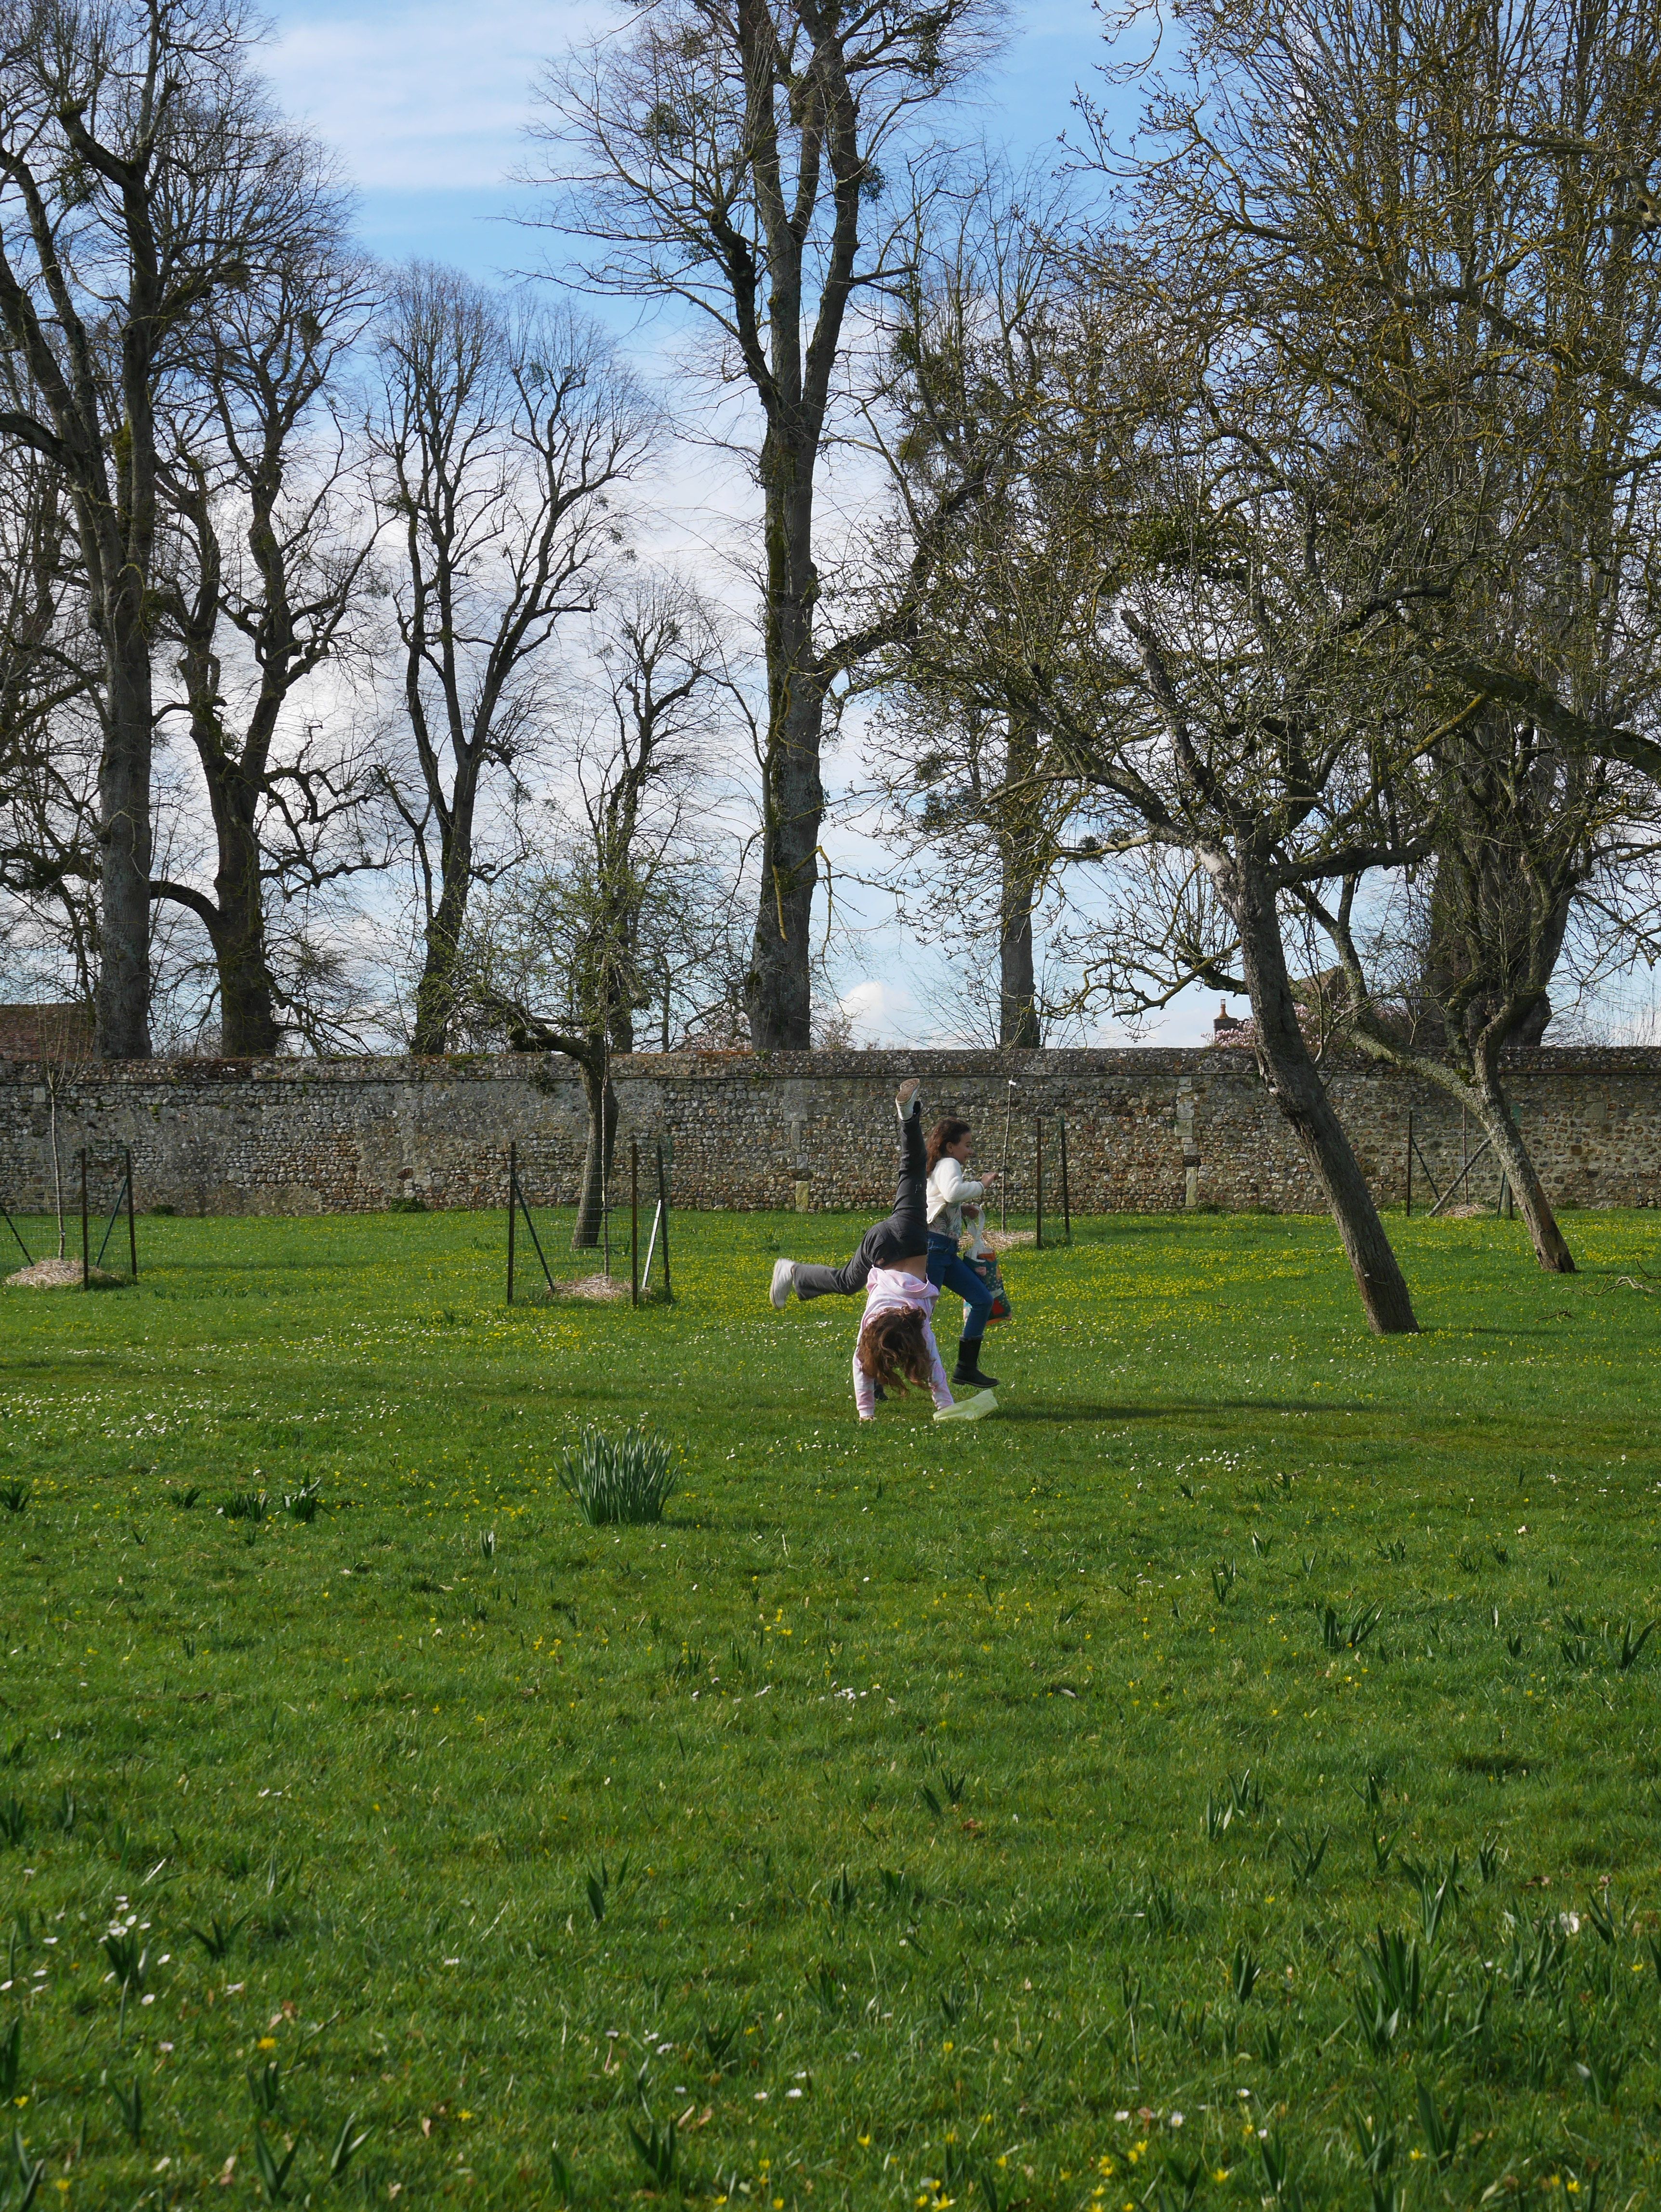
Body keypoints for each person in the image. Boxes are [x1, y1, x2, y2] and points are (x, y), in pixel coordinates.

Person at [770, 1080, 994, 1422]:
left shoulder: (918, 1325)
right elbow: (865, 1363)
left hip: (908, 1235)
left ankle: (794, 1272)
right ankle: (907, 1117)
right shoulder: (875, 1325)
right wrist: (868, 1414)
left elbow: (931, 1367)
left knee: (912, 1169)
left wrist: (943, 1404)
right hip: (894, 1239)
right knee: (910, 1168)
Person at [925, 1117, 1001, 1389]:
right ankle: (876, 1375)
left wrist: (961, 1209)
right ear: (950, 1147)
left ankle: (966, 1369)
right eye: (967, 1145)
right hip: (933, 1251)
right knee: (919, 1319)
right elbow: (952, 1191)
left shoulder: (943, 1164)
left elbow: (944, 1199)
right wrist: (981, 1185)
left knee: (982, 1300)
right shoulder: (949, 1163)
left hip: (945, 1253)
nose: (970, 1151)